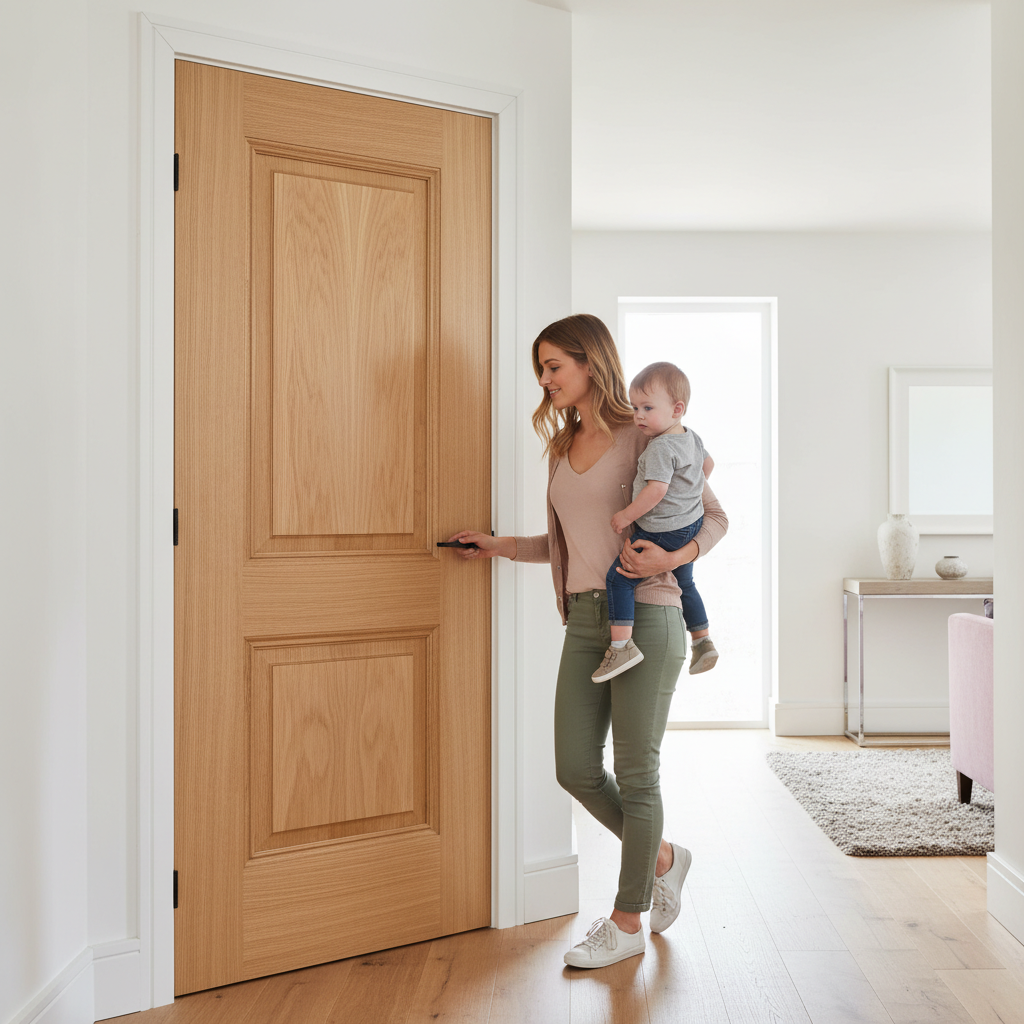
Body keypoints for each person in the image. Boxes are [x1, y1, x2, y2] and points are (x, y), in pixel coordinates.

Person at [448, 313, 728, 969]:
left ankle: (627, 921)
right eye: (540, 369)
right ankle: (663, 857)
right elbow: (568, 545)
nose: (545, 380)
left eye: (554, 367)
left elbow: (715, 517)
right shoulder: (561, 446)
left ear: (589, 361)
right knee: (574, 766)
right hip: (583, 618)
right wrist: (498, 546)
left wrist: (675, 556)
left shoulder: (647, 433)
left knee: (636, 771)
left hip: (649, 614)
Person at [594, 361, 718, 683]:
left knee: (619, 577)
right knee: (685, 583)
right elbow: (708, 465)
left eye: (648, 408)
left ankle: (621, 646)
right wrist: (688, 495)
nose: (638, 416)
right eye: (635, 407)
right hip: (691, 524)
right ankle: (702, 640)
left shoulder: (660, 447)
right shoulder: (691, 437)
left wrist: (626, 515)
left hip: (662, 530)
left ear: (677, 409)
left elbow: (656, 490)